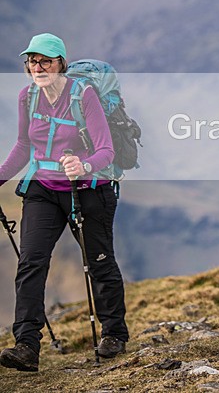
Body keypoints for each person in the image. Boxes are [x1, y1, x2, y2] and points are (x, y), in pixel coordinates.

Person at [0, 33, 129, 372]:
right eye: (32, 61)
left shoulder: (83, 95)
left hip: (88, 189)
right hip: (42, 189)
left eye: (46, 61)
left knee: (99, 261)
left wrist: (83, 165)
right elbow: (23, 146)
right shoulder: (28, 97)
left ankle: (114, 334)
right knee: (31, 262)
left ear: (60, 63)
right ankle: (26, 346)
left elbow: (106, 150)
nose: (38, 67)